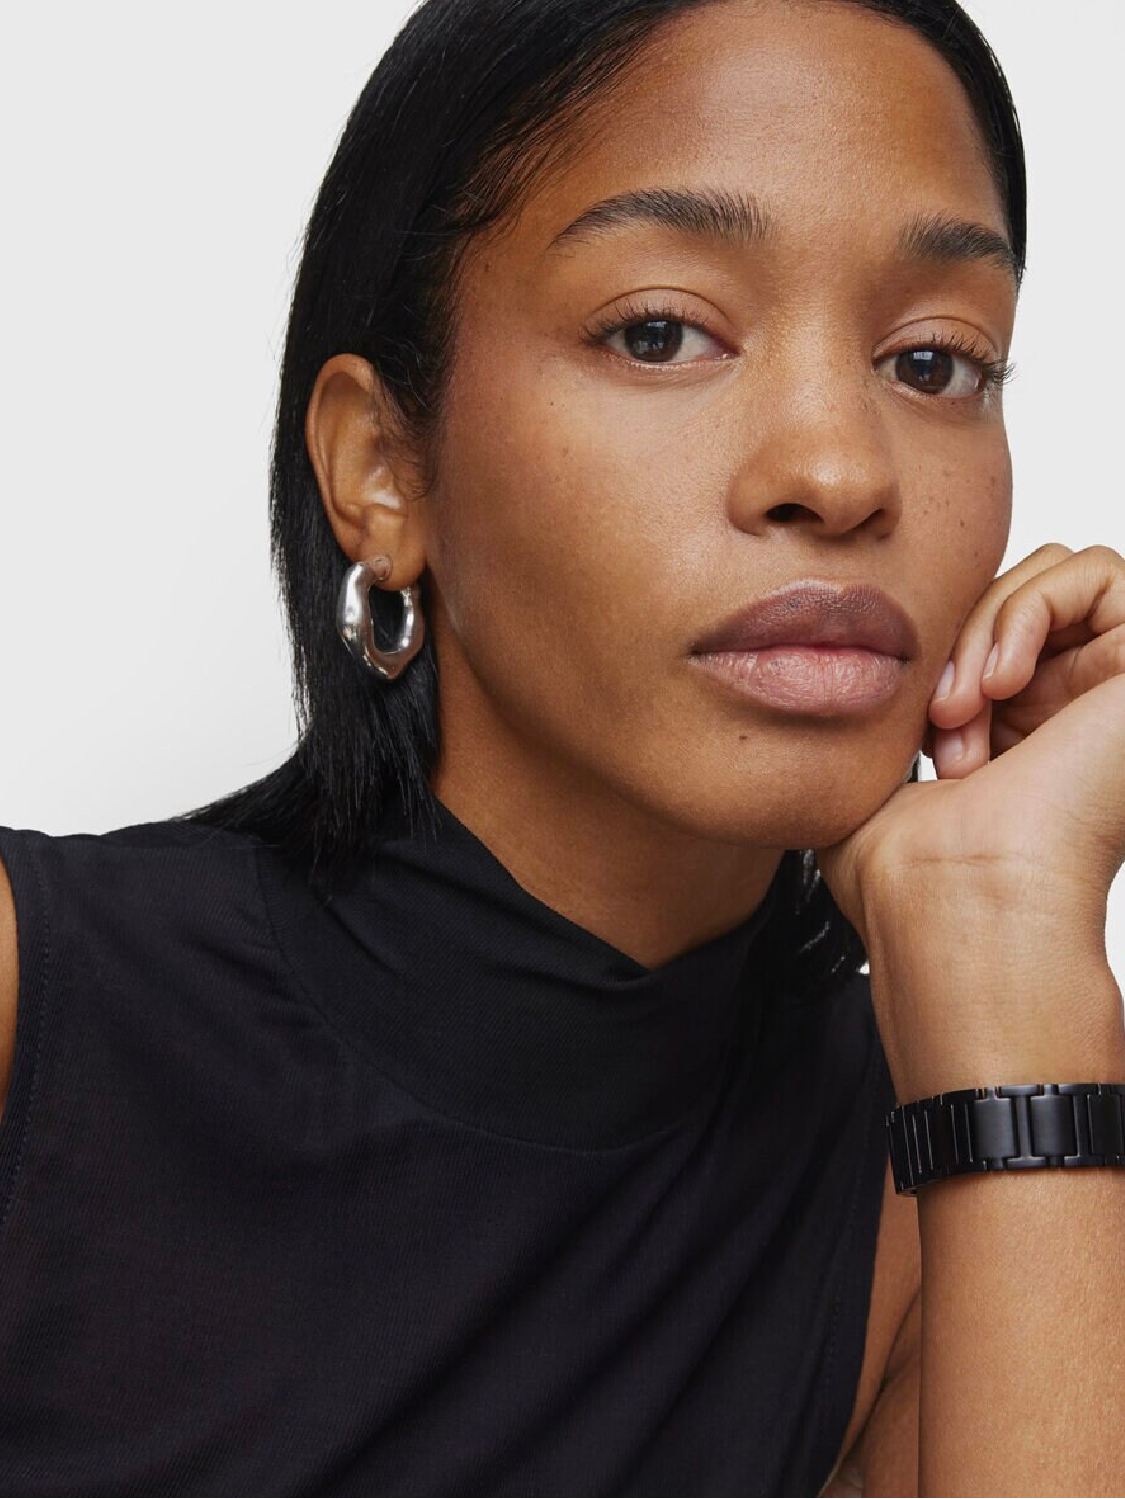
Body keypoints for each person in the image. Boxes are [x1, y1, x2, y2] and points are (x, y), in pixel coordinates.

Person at [2, 0, 1124, 1493]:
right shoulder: (36, 1011)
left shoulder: (943, 1167)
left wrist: (1008, 930)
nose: (840, 470)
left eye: (934, 362)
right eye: (660, 332)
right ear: (383, 471)